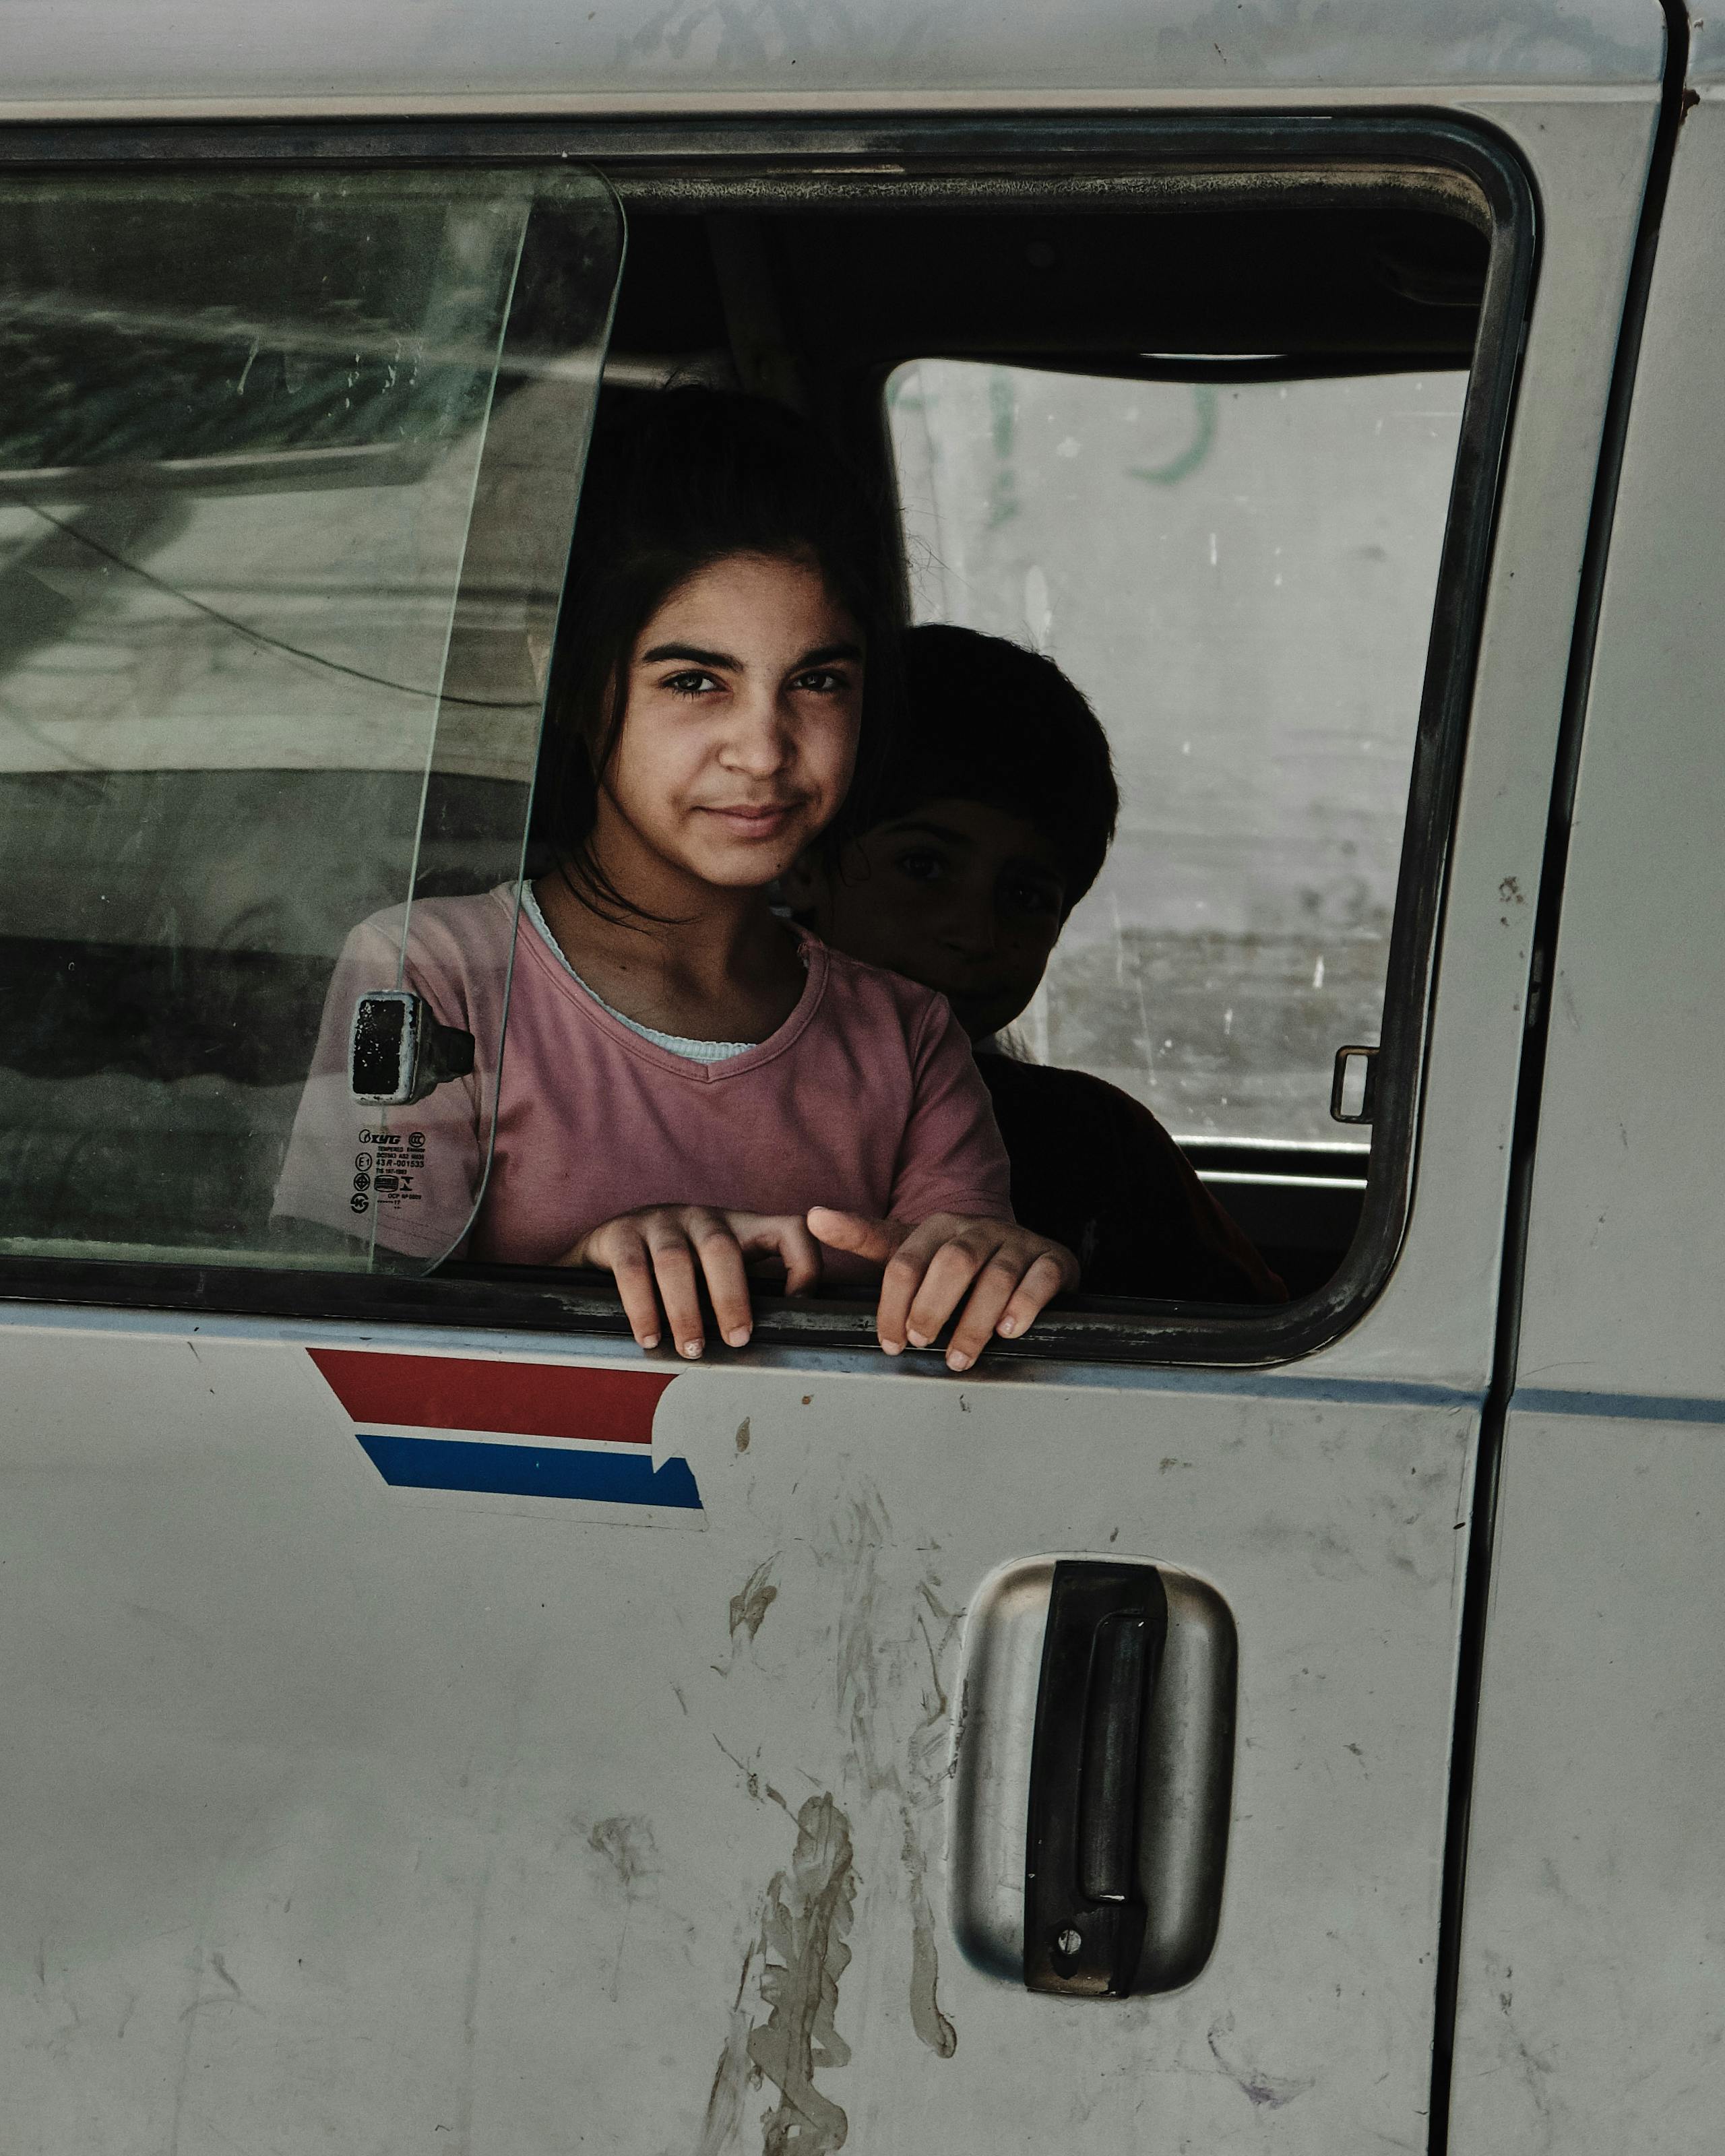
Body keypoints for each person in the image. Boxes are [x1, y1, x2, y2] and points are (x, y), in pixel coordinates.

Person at [276, 391, 1078, 1367]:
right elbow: (337, 1329)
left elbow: (958, 1287)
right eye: (696, 681)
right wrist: (583, 1274)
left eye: (819, 681)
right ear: (571, 680)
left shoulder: (907, 1036)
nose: (763, 749)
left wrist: (995, 1269)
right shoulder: (428, 977)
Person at [785, 623, 1285, 1304]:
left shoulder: (1095, 1144)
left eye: (1024, 895)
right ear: (806, 862)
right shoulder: (699, 1097)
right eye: (924, 865)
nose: (974, 930)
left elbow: (1251, 1355)